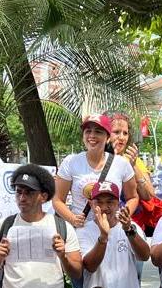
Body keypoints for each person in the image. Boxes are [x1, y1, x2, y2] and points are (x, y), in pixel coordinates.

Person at [0, 164, 82, 288]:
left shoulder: (63, 227)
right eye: (18, 192)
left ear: (43, 196)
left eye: (29, 192)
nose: (22, 198)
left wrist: (62, 256)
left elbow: (77, 273)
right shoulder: (3, 226)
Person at [53, 114, 139, 276]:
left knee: (116, 276)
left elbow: (133, 197)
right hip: (81, 234)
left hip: (113, 231)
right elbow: (57, 200)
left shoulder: (121, 164)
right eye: (88, 131)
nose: (92, 136)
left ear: (107, 137)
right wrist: (72, 218)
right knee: (81, 285)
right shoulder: (71, 162)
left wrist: (123, 215)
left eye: (98, 132)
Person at [82, 181, 148, 288]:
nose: (105, 207)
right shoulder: (83, 230)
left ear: (118, 204)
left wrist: (129, 230)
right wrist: (103, 237)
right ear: (91, 204)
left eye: (110, 202)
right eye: (99, 202)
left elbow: (144, 256)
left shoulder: (130, 226)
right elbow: (90, 266)